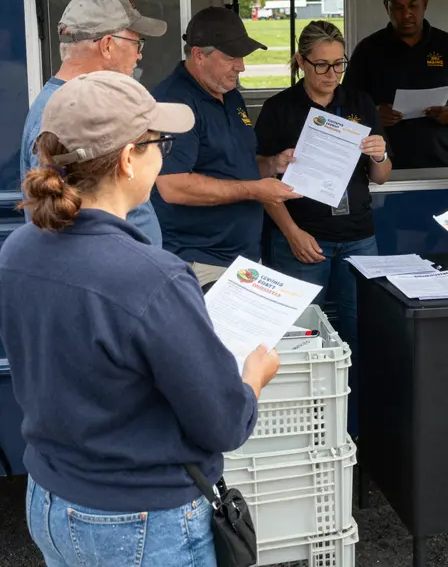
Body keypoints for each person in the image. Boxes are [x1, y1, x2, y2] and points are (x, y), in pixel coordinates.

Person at [0, 71, 281, 567]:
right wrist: (254, 379)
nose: (162, 155)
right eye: (161, 143)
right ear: (130, 158)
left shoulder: (18, 248)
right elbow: (224, 425)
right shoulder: (155, 277)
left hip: (48, 499)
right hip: (143, 520)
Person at [255, 20, 391, 437]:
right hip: (300, 235)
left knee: (357, 338)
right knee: (297, 342)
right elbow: (262, 180)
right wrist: (292, 232)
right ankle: (303, 436)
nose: (332, 75)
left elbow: (382, 176)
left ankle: (351, 435)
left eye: (339, 65)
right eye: (321, 66)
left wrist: (381, 153)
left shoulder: (360, 102)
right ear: (300, 62)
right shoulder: (280, 109)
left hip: (357, 236)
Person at [150, 6, 298, 288]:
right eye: (231, 57)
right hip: (198, 262)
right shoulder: (173, 102)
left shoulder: (229, 94)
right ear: (198, 55)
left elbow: (235, 165)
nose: (241, 65)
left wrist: (272, 165)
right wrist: (256, 189)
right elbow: (173, 186)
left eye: (242, 57)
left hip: (242, 258)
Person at [19, 0, 166, 245]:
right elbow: (60, 229)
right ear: (108, 45)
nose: (140, 54)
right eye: (137, 43)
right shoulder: (61, 112)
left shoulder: (69, 105)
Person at [343, 0, 448, 169]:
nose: (407, 14)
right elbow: (346, 106)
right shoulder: (368, 50)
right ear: (387, 7)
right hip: (381, 167)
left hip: (437, 163)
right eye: (398, 7)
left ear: (425, 3)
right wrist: (374, 114)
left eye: (413, 6)